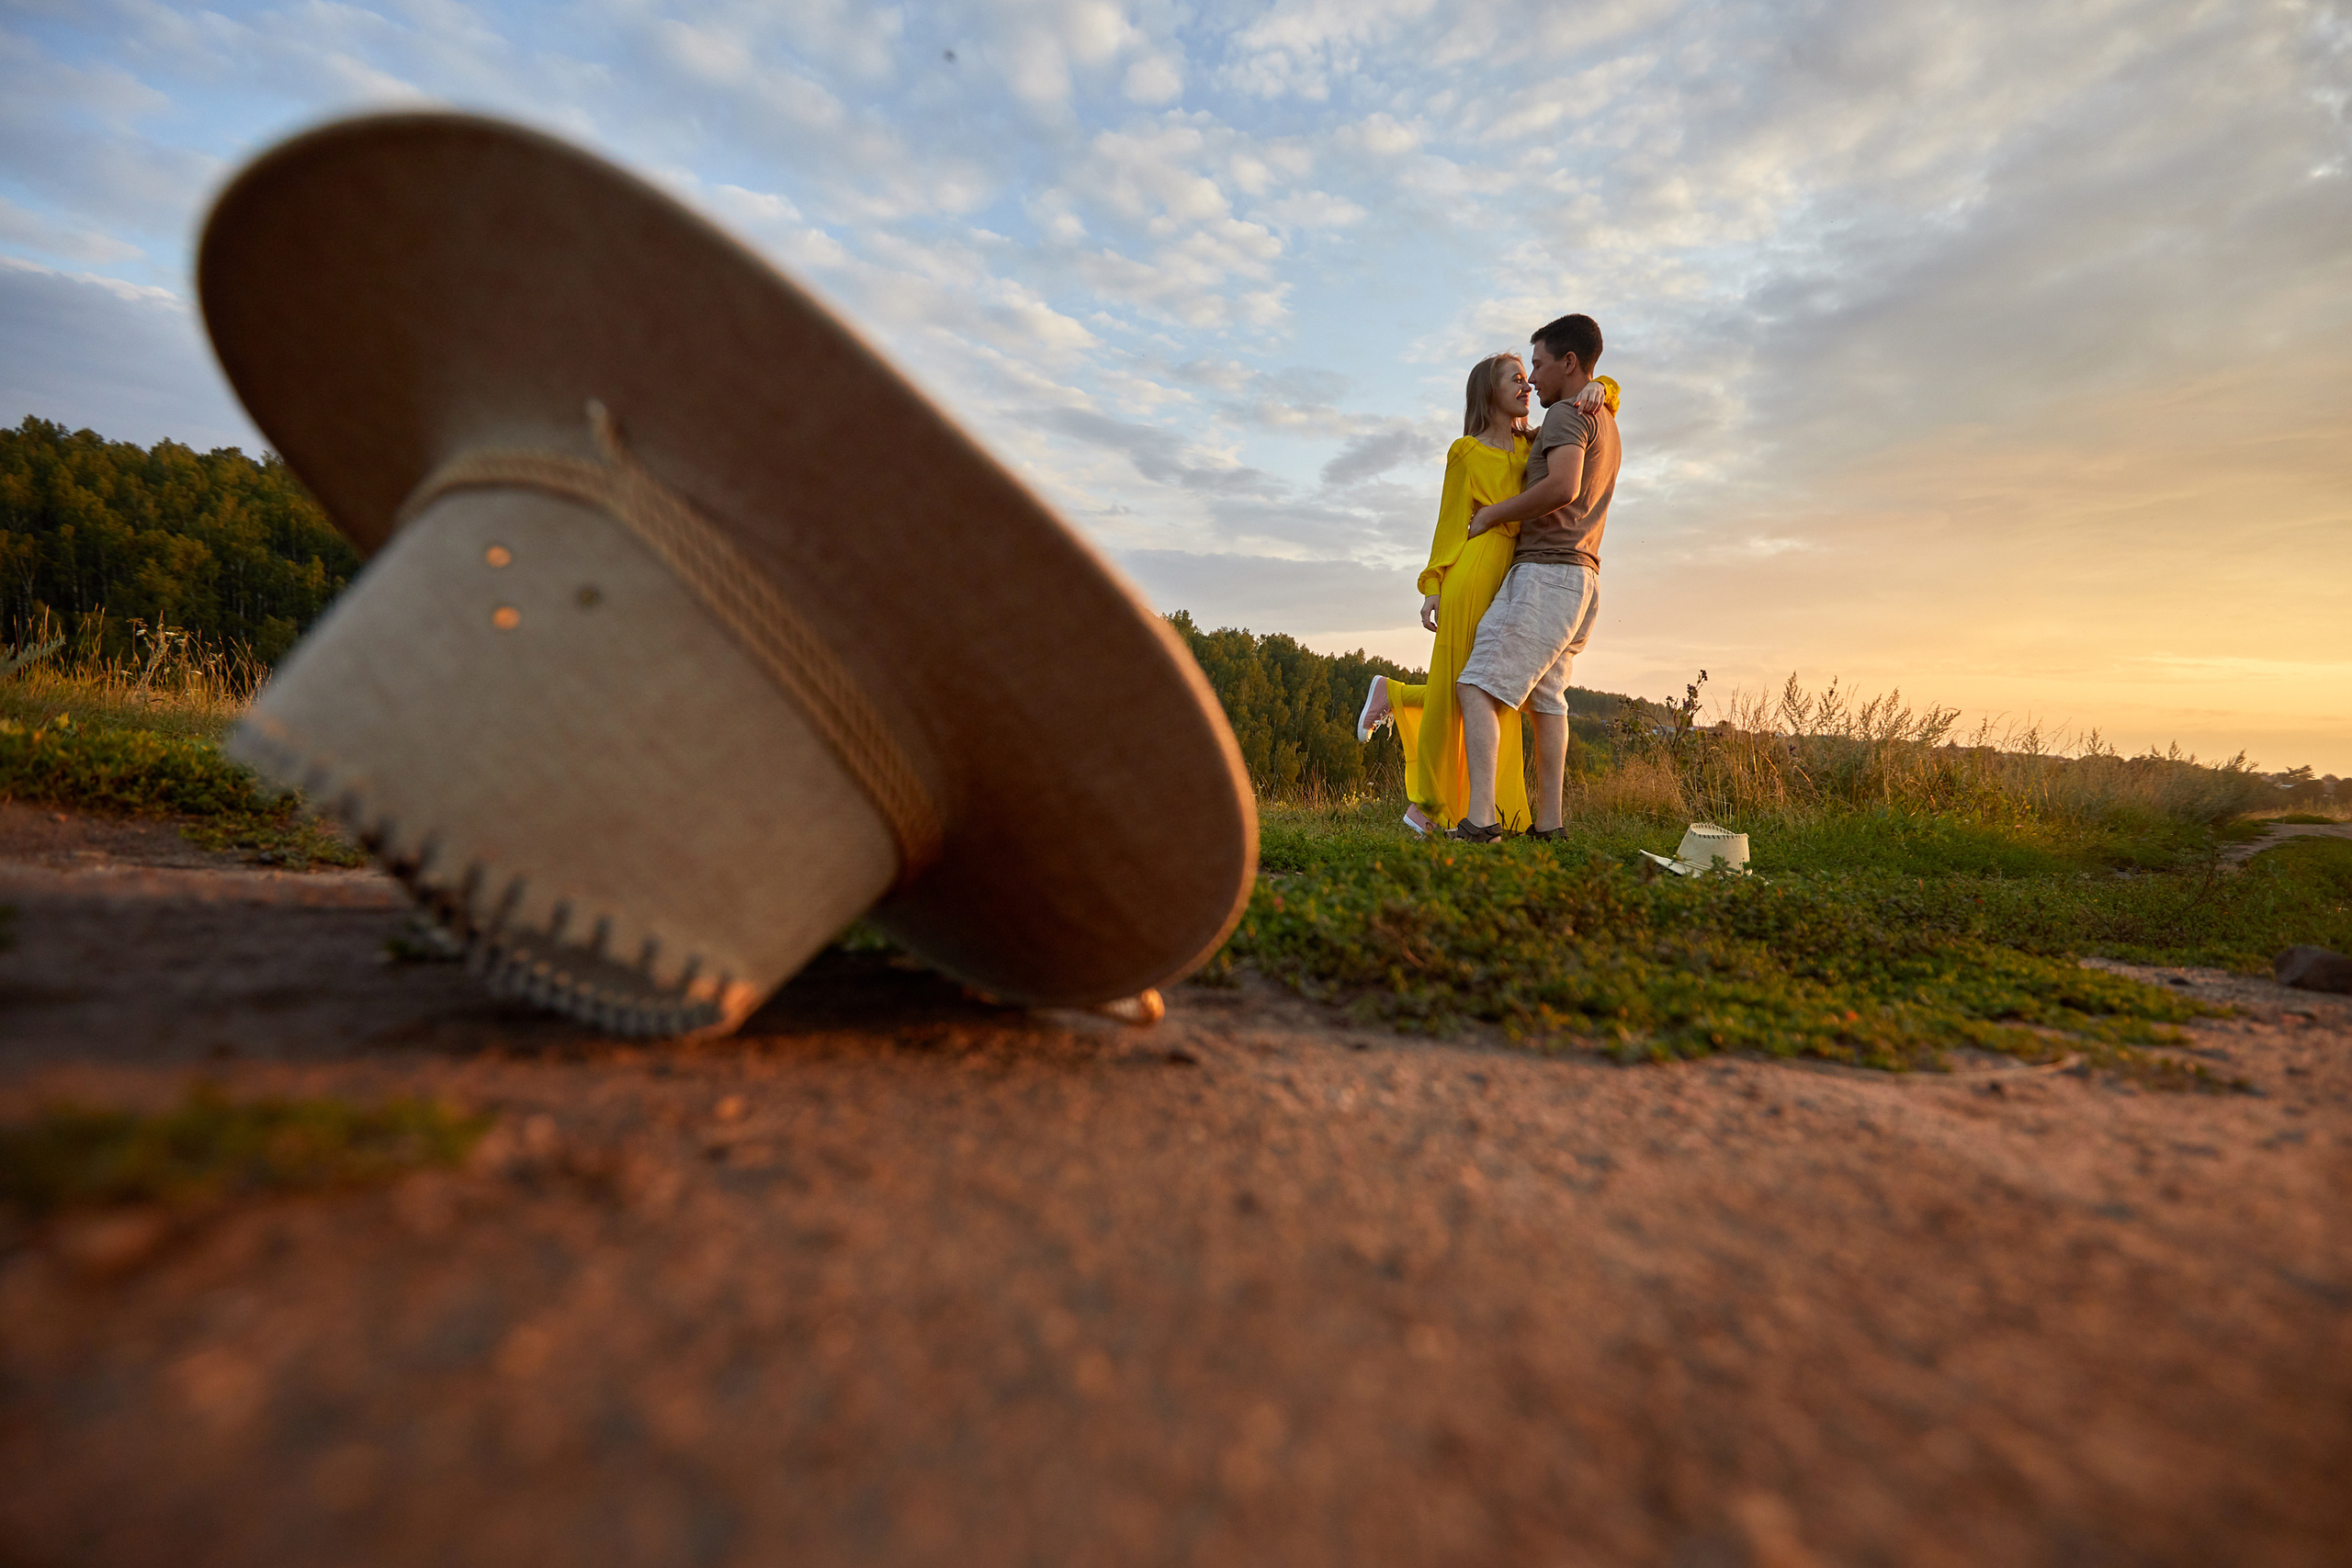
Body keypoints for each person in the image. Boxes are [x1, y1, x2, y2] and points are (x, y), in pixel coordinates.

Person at [1355, 354, 1617, 834]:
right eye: (1515, 378)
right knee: (1460, 687)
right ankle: (1428, 805)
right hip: (1475, 569)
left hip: (1517, 572)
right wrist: (1433, 585)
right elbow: (1450, 520)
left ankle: (1484, 802)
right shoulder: (1466, 452)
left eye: (1528, 376)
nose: (1527, 385)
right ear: (1488, 392)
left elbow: (1593, 403)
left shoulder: (1533, 442)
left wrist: (1603, 385)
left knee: (1494, 694)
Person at [1448, 312, 1621, 843]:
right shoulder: (1601, 416)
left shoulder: (1568, 413)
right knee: (1547, 702)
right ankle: (1550, 826)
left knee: (1476, 686)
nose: (1534, 379)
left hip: (1547, 575)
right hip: (1582, 580)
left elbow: (1563, 486)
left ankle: (1480, 821)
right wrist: (1604, 387)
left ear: (1569, 363)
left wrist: (1494, 514)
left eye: (1539, 365)